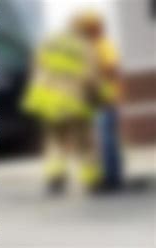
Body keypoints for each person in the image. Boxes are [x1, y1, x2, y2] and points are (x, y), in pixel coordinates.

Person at [21, 12, 103, 192]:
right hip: (74, 100)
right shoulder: (85, 47)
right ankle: (91, 180)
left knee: (55, 140)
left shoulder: (50, 44)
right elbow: (91, 76)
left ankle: (55, 176)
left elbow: (36, 71)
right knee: (84, 142)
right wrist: (99, 96)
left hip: (48, 101)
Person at [80, 11, 123, 189]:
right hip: (96, 100)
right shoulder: (92, 48)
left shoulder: (104, 45)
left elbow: (111, 68)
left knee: (107, 140)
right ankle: (109, 176)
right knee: (102, 141)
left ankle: (113, 179)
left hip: (106, 99)